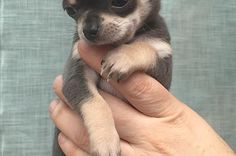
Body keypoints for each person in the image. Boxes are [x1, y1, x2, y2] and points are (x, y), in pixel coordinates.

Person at [48, 42, 235, 156]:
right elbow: (72, 85)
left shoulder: (154, 37)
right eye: (73, 11)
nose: (91, 28)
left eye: (119, 2)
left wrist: (143, 53)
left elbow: (162, 74)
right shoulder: (84, 44)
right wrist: (99, 122)